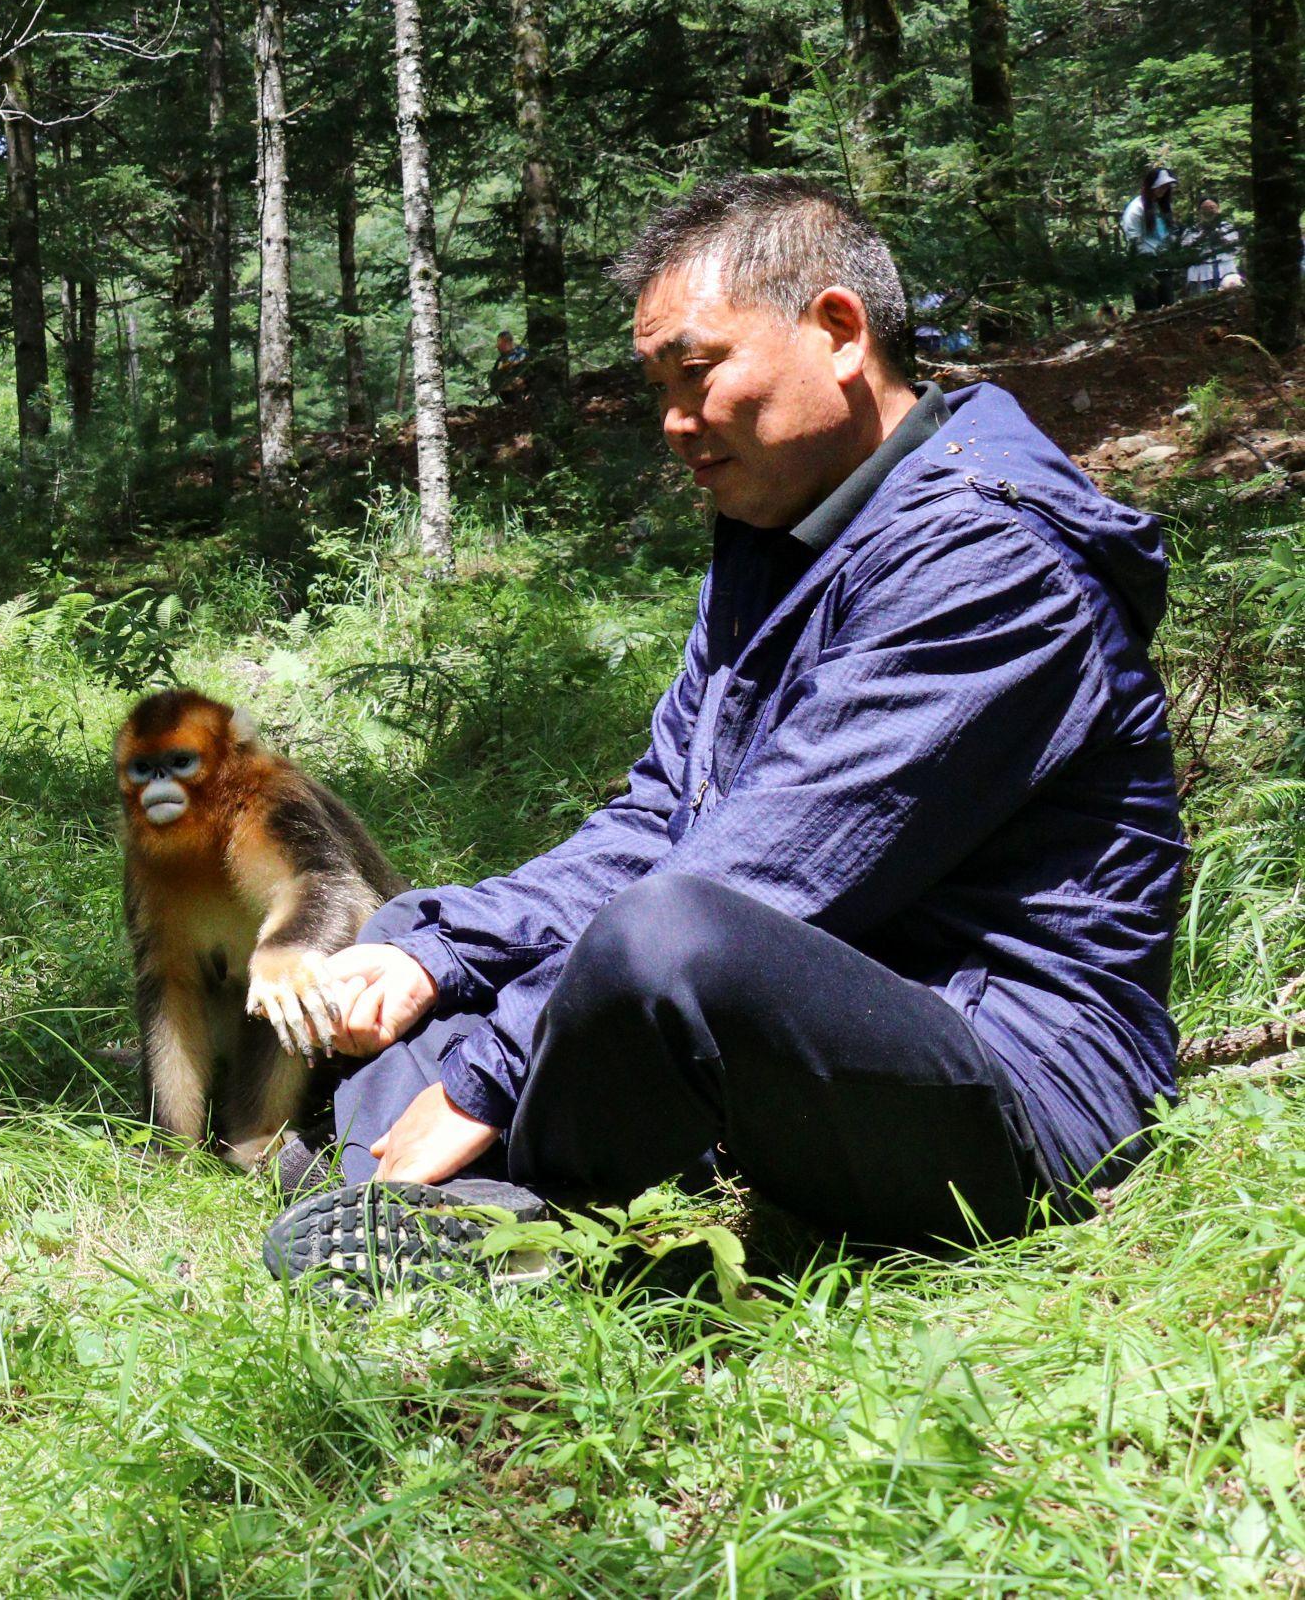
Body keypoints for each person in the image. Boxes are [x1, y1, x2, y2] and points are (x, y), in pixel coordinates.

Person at [262, 174, 1185, 1297]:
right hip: (827, 1010)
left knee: (668, 945)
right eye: (657, 386)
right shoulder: (784, 533)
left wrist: (490, 1074)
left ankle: (429, 1200)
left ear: (839, 331)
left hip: (1010, 1083)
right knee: (415, 936)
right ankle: (429, 1214)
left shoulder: (991, 562)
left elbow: (764, 877)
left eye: (694, 374)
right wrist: (438, 957)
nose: (671, 422)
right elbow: (666, 814)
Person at [1123, 166, 1184, 311]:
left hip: (1164, 266)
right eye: (1161, 186)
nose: (1163, 189)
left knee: (1168, 309)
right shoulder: (1136, 208)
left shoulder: (1162, 207)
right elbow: (1133, 239)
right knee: (1148, 311)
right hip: (1145, 268)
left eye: (1166, 186)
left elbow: (1169, 234)